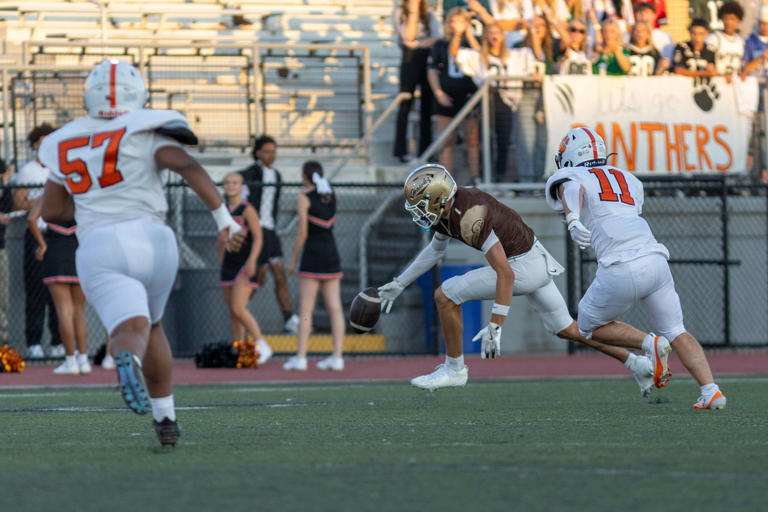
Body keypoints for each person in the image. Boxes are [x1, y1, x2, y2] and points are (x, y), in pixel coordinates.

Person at [37, 59, 247, 446]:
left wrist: (88, 206)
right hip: (155, 240)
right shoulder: (146, 127)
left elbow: (51, 211)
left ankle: (127, 360)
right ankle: (165, 417)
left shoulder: (61, 140)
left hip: (100, 243)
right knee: (152, 326)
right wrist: (224, 220)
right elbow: (187, 165)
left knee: (128, 331)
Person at [378, 163, 660, 396]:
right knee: (570, 329)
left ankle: (455, 369)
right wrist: (400, 283)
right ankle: (638, 361)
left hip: (522, 266)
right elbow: (434, 251)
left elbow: (506, 274)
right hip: (533, 258)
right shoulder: (449, 210)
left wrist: (496, 324)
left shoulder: (471, 216)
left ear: (439, 197)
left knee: (446, 294)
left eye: (421, 203)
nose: (416, 210)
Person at [545, 127, 726, 409]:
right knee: (676, 329)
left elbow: (572, 186)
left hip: (620, 264)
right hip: (655, 259)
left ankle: (647, 343)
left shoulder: (571, 176)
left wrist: (573, 220)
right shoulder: (629, 178)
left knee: (587, 325)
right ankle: (711, 390)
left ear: (570, 156)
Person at [453, 22, 540, 182]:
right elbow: (455, 55)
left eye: (497, 33)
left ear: (502, 36)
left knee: (503, 142)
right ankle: (486, 176)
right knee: (485, 140)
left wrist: (533, 34)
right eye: (490, 33)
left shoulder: (514, 55)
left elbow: (536, 57)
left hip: (508, 104)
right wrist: (459, 34)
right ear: (486, 36)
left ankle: (499, 177)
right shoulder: (479, 57)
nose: (494, 36)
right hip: (487, 103)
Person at [285, 161, 345, 371]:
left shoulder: (303, 197)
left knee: (306, 309)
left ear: (304, 176)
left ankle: (301, 357)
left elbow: (302, 232)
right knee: (335, 308)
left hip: (312, 256)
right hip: (331, 254)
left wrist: (292, 261)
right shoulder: (333, 193)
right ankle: (337, 357)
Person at [240, 135, 298, 340]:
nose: (271, 155)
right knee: (259, 277)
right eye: (266, 151)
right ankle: (240, 311)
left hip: (271, 231)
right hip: (256, 232)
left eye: (274, 151)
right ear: (257, 153)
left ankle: (289, 319)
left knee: (280, 273)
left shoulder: (277, 175)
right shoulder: (247, 175)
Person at [13, 123, 63, 360]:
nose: (44, 147)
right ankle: (34, 342)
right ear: (33, 145)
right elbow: (18, 202)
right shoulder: (28, 171)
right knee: (36, 292)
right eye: (39, 142)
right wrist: (42, 202)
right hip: (36, 234)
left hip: (59, 235)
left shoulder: (61, 169)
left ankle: (58, 342)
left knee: (60, 291)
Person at [27, 199, 90, 375]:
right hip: (79, 249)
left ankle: (70, 360)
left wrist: (42, 244)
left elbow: (32, 218)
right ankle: (83, 359)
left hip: (55, 249)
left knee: (64, 311)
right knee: (79, 311)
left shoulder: (53, 189)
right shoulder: (81, 190)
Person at [219, 172, 271, 364]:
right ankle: (242, 355)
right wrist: (222, 260)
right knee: (233, 313)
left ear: (242, 187)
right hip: (228, 265)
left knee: (238, 307)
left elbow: (258, 237)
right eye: (227, 182)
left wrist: (252, 261)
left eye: (235, 183)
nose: (231, 185)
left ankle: (261, 343)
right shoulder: (222, 210)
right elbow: (221, 238)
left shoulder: (247, 209)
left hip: (244, 263)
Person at [427, 7, 481, 184]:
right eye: (452, 21)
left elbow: (482, 57)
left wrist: (468, 34)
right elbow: (433, 71)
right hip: (446, 98)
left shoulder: (473, 42)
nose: (454, 25)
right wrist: (439, 93)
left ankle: (476, 177)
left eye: (459, 21)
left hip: (468, 97)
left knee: (472, 141)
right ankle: (446, 179)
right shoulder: (440, 44)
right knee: (446, 142)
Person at [392, 0, 440, 163]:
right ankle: (401, 152)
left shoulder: (429, 14)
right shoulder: (400, 12)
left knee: (427, 107)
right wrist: (413, 11)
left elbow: (435, 38)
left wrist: (417, 44)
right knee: (405, 104)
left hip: (426, 59)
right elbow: (407, 36)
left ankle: (425, 152)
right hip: (409, 60)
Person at [704, 1, 744, 82]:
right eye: (726, 18)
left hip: (733, 83)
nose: (728, 22)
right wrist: (720, 75)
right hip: (717, 82)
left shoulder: (741, 41)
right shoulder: (713, 38)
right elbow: (707, 64)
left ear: (738, 20)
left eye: (732, 19)